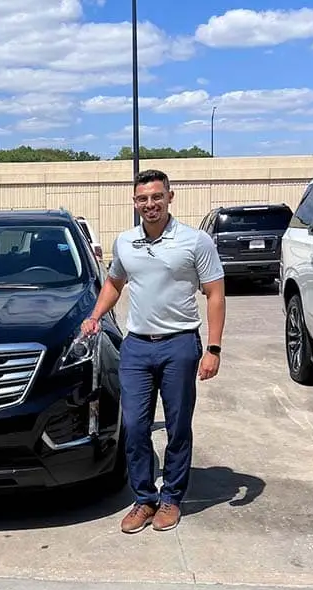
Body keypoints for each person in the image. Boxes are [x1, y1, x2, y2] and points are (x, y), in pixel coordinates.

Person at [80, 169, 225, 533]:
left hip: (180, 345)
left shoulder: (195, 241)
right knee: (134, 425)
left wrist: (213, 349)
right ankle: (144, 499)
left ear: (170, 197)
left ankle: (172, 498)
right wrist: (95, 315)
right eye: (143, 199)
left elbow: (215, 294)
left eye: (157, 197)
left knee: (177, 427)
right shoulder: (126, 242)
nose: (150, 204)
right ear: (135, 202)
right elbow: (115, 281)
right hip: (137, 346)